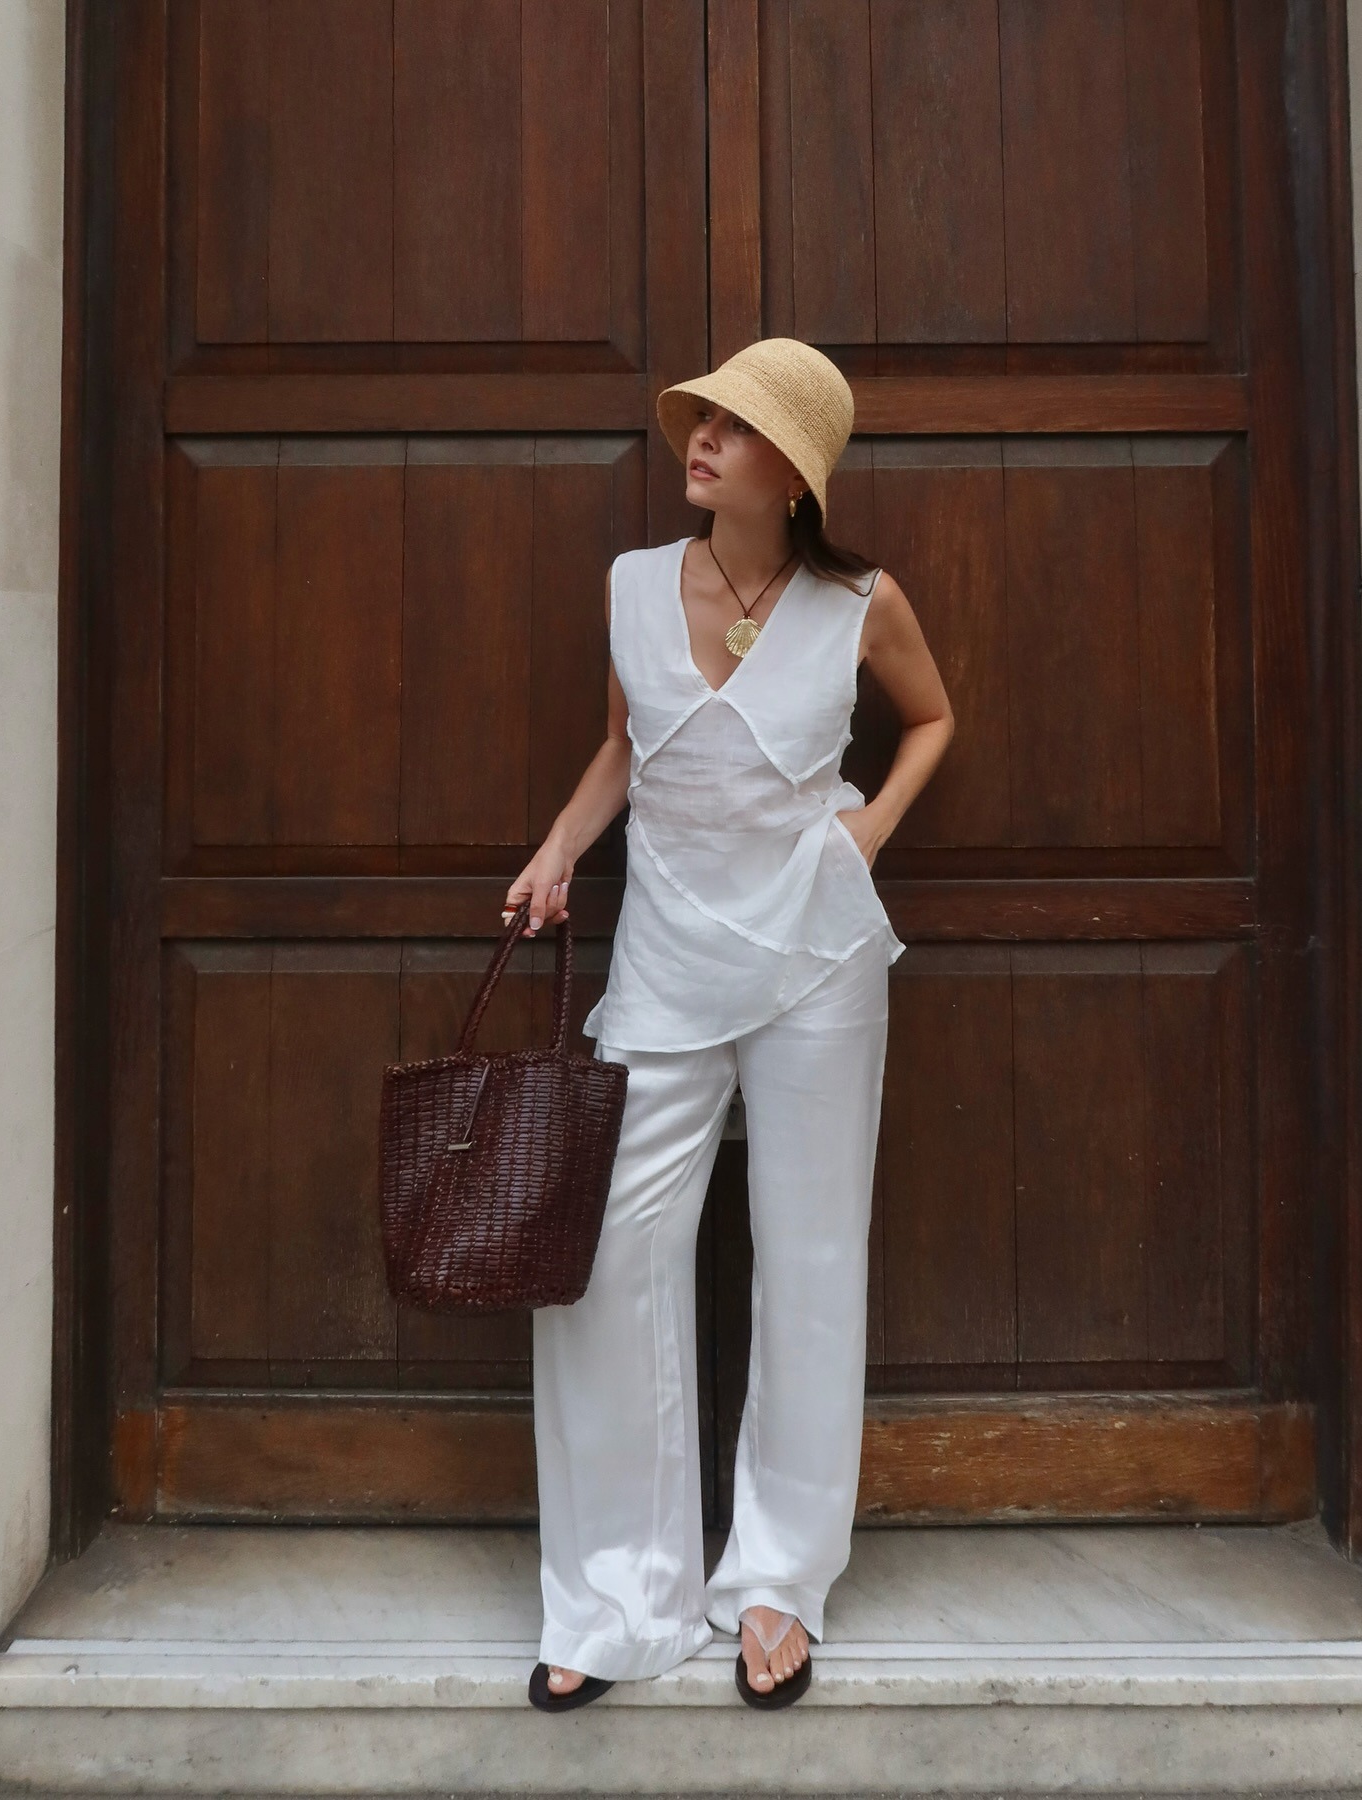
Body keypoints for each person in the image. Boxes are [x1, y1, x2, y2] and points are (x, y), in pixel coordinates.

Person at [501, 337, 954, 1712]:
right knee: (611, 1253)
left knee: (811, 1261)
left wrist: (868, 830)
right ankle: (615, 1595)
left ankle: (775, 1585)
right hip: (667, 954)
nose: (699, 437)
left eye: (735, 426)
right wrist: (558, 850)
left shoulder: (861, 601)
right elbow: (629, 745)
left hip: (819, 957)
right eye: (700, 417)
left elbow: (932, 720)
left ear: (794, 474)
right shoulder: (636, 585)